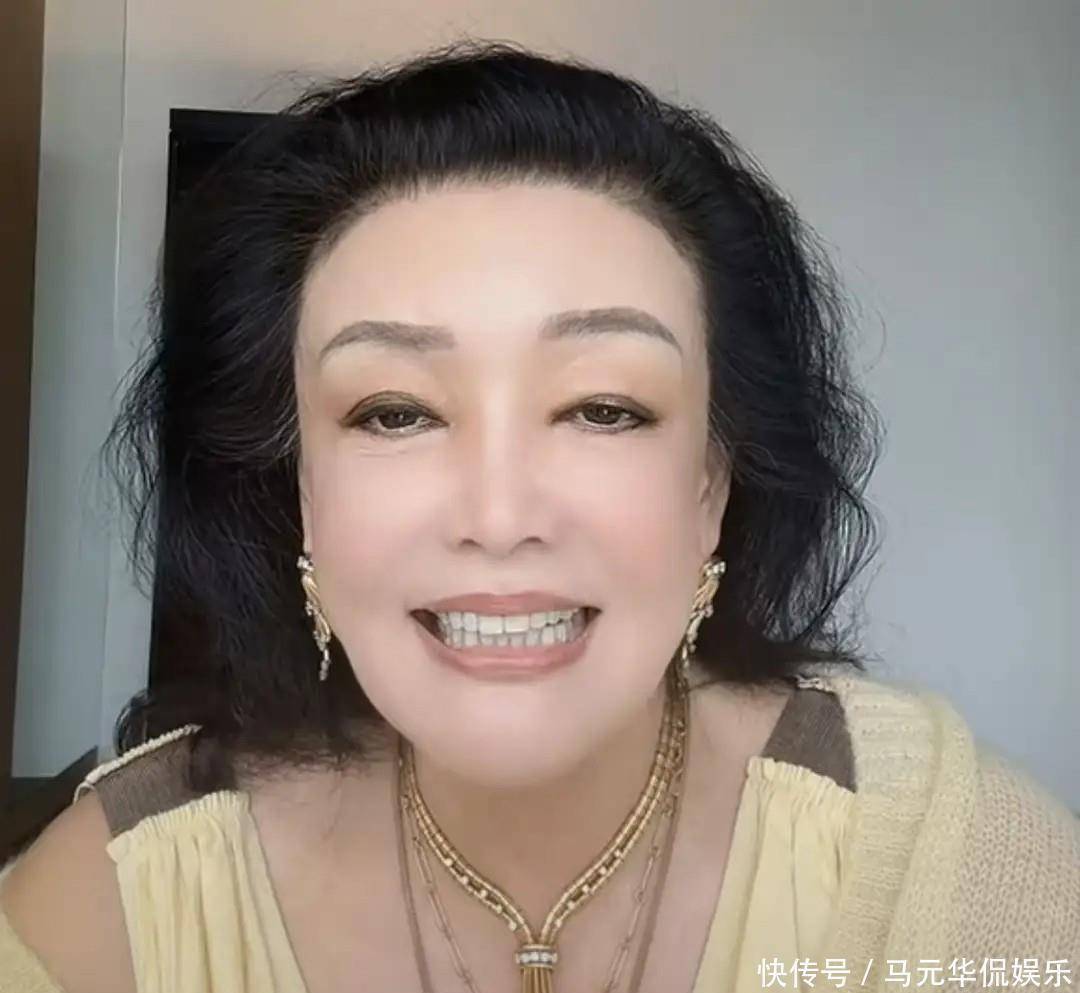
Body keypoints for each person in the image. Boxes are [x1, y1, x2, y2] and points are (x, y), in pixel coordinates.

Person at [1, 39, 1076, 993]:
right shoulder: (113, 907)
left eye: (604, 408)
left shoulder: (951, 868)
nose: (500, 513)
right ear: (300, 495)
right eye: (395, 412)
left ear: (711, 487)